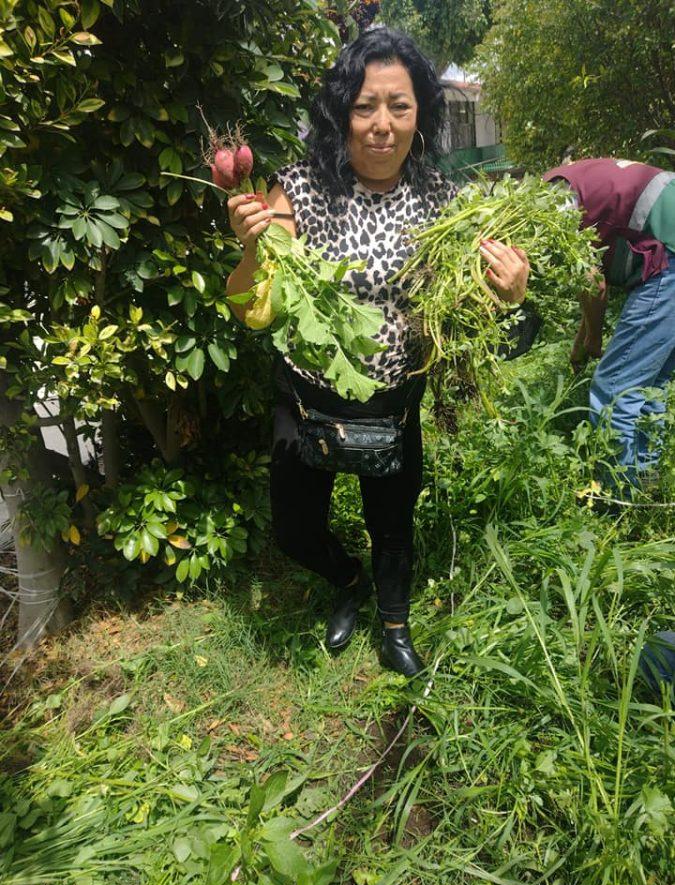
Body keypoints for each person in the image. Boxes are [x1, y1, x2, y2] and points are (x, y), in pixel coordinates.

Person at [226, 28, 529, 676]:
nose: (382, 124)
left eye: (400, 105)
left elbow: (476, 315)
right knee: (294, 531)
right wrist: (252, 249)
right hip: (306, 402)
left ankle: (393, 624)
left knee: (392, 526)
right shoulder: (300, 193)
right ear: (342, 112)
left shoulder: (443, 204)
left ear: (421, 111)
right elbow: (255, 309)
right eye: (365, 106)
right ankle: (345, 582)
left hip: (393, 405)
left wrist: (507, 295)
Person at [543, 158, 675, 489]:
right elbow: (590, 283)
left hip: (669, 259)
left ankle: (619, 501)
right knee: (648, 387)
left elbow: (591, 282)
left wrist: (594, 343)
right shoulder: (572, 184)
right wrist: (582, 342)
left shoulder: (548, 206)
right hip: (670, 250)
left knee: (614, 387)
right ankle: (646, 488)